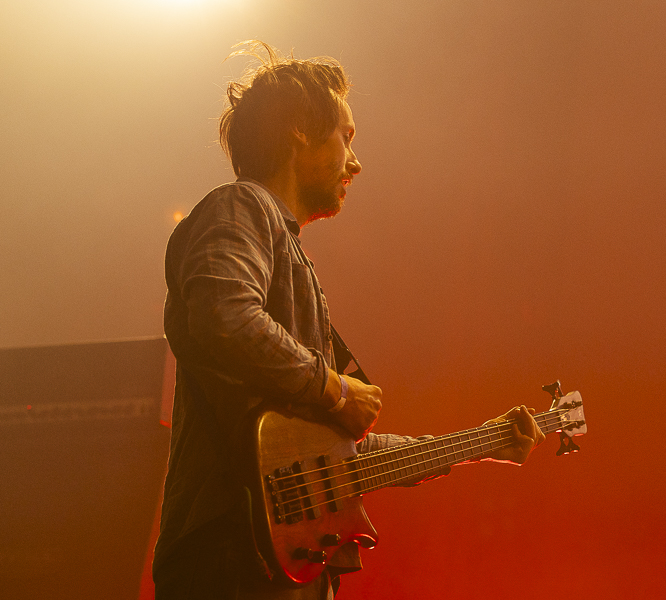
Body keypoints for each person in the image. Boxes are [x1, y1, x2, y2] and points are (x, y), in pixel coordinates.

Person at [152, 41, 545, 600]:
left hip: (279, 566)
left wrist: (482, 442)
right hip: (229, 555)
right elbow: (226, 316)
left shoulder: (290, 254)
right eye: (346, 136)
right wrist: (335, 390)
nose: (355, 162)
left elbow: (338, 459)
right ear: (298, 129)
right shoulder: (240, 206)